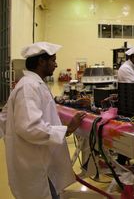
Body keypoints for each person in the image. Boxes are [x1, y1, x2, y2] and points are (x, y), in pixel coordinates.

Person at [0, 42, 86, 199]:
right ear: (41, 62)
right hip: (34, 162)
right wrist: (67, 129)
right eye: (53, 60)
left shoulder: (33, 84)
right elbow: (30, 128)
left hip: (38, 159)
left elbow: (4, 119)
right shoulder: (29, 87)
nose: (56, 64)